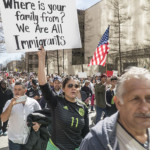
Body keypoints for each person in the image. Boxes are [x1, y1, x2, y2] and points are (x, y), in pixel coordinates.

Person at [80, 67, 150, 150]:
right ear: (118, 103)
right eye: (135, 99)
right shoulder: (95, 142)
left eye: (149, 98)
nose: (144, 108)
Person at [38, 46, 89, 150]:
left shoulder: (83, 107)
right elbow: (43, 84)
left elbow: (85, 132)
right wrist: (42, 58)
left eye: (76, 86)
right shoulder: (56, 102)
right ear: (63, 89)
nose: (73, 88)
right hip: (56, 147)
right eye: (70, 86)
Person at [1, 82, 41, 150]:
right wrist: (11, 105)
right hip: (14, 140)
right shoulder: (9, 102)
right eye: (15, 89)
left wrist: (39, 124)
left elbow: (41, 116)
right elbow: (3, 119)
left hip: (30, 139)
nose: (16, 92)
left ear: (25, 91)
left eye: (19, 89)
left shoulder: (33, 102)